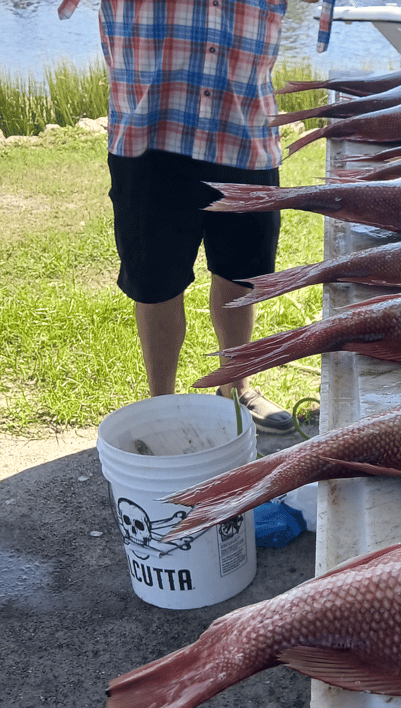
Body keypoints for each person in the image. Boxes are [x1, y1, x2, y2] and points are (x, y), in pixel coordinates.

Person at [98, 0, 318, 432]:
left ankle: (235, 385)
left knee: (242, 272)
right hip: (151, 132)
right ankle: (160, 405)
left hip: (244, 131)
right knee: (156, 281)